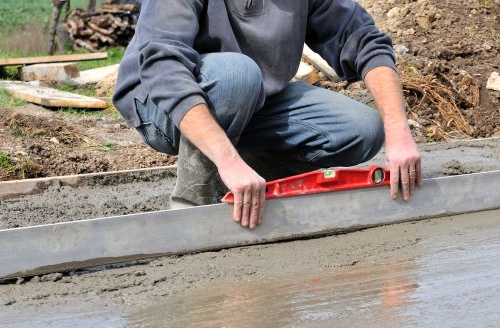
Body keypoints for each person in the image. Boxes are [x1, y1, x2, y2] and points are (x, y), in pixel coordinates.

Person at [113, 0, 422, 229]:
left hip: (252, 97)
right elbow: (163, 66)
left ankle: (248, 186)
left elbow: (363, 39)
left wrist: (398, 133)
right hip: (160, 103)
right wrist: (227, 160)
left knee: (362, 128)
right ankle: (192, 212)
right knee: (238, 74)